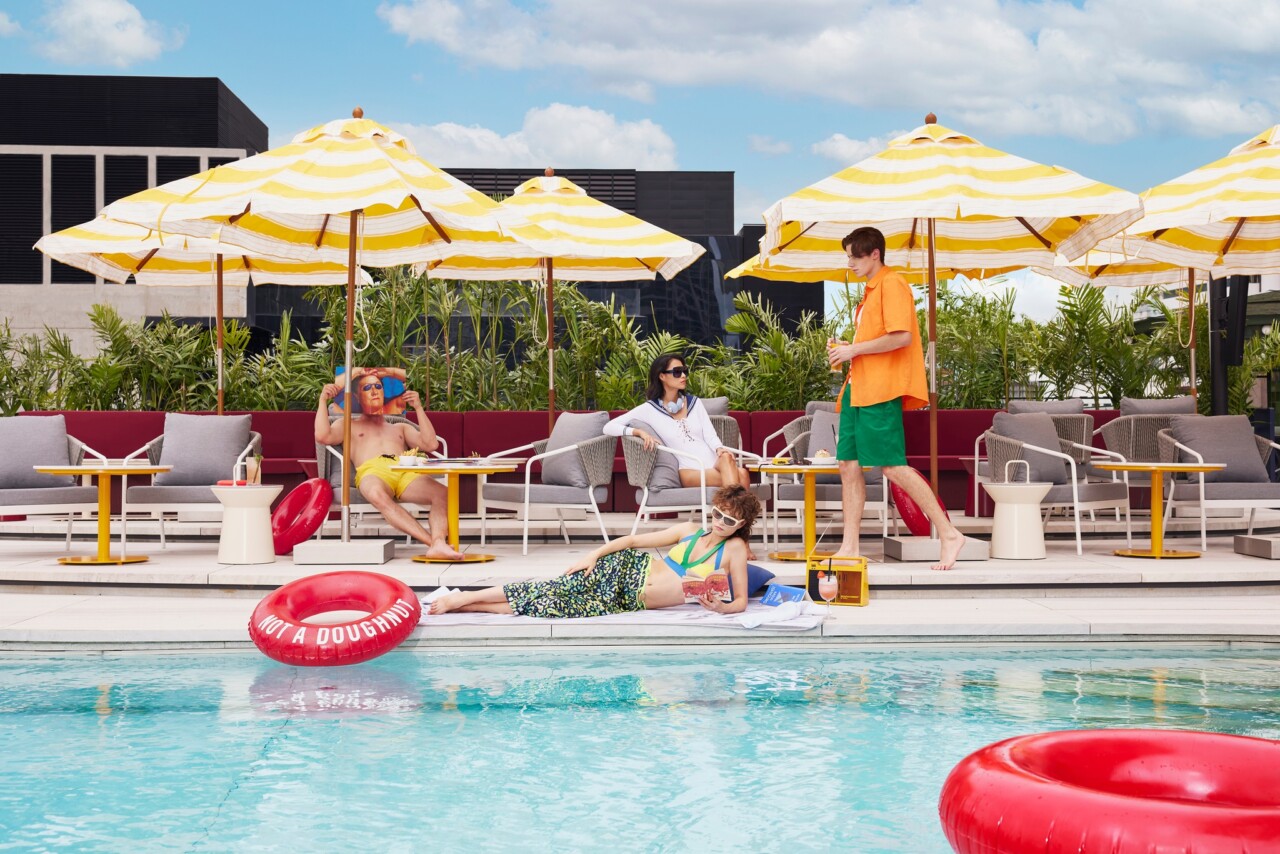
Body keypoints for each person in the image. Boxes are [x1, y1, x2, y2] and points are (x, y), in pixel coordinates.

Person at [827, 226, 967, 571]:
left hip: (880, 390)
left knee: (891, 465)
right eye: (848, 257)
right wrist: (849, 348)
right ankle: (849, 546)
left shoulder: (892, 284)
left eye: (854, 256)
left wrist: (853, 350)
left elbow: (901, 336)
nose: (849, 263)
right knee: (847, 465)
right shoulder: (870, 291)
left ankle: (949, 533)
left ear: (875, 254)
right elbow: (875, 340)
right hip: (857, 389)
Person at [428, 485, 761, 617]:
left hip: (629, 599)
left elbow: (741, 602)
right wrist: (594, 555)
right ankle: (464, 597)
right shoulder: (689, 530)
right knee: (554, 586)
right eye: (717, 514)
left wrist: (721, 608)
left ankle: (470, 606)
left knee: (553, 606)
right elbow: (632, 542)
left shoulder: (734, 549)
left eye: (729, 520)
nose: (720, 522)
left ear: (741, 524)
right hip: (626, 568)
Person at [315, 370, 462, 560]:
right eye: (367, 387)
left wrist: (418, 408)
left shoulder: (400, 426)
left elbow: (431, 444)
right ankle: (434, 544)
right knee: (377, 494)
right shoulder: (348, 424)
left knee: (443, 493)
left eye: (378, 386)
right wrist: (322, 401)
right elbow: (322, 436)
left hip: (403, 470)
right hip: (372, 471)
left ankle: (439, 543)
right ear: (357, 397)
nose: (374, 391)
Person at [604, 354, 750, 489]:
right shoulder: (649, 409)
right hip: (690, 470)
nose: (683, 376)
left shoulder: (695, 403)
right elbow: (609, 427)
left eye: (684, 371)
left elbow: (710, 435)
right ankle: (732, 508)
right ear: (662, 376)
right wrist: (638, 432)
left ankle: (727, 509)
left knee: (727, 457)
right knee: (742, 475)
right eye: (677, 372)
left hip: (714, 464)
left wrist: (719, 448)